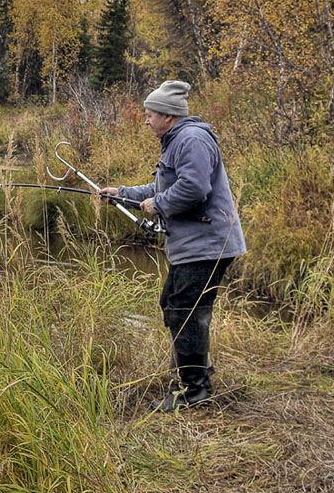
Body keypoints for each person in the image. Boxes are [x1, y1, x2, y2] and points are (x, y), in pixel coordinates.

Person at [100, 80, 246, 412]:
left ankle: (194, 390)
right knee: (175, 304)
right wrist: (122, 194)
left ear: (168, 116)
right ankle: (195, 374)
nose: (147, 120)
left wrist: (159, 203)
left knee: (184, 309)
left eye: (150, 115)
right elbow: (162, 185)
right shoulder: (178, 140)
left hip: (207, 244)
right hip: (198, 244)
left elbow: (194, 188)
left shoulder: (191, 139)